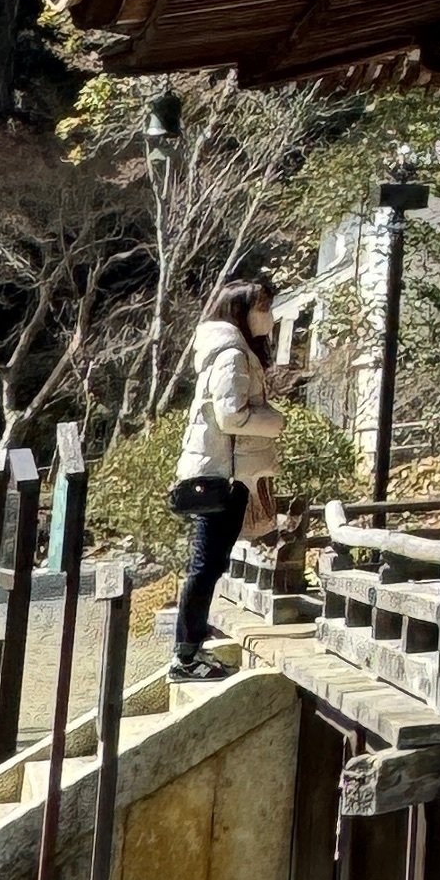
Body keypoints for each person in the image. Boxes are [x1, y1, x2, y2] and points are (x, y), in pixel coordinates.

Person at [169, 274, 286, 680]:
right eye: (263, 308)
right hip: (225, 475)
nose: (268, 317)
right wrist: (275, 422)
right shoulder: (232, 353)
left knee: (209, 564)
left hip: (225, 471)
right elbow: (231, 415)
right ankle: (186, 655)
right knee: (206, 565)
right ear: (242, 311)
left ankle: (190, 650)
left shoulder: (231, 350)